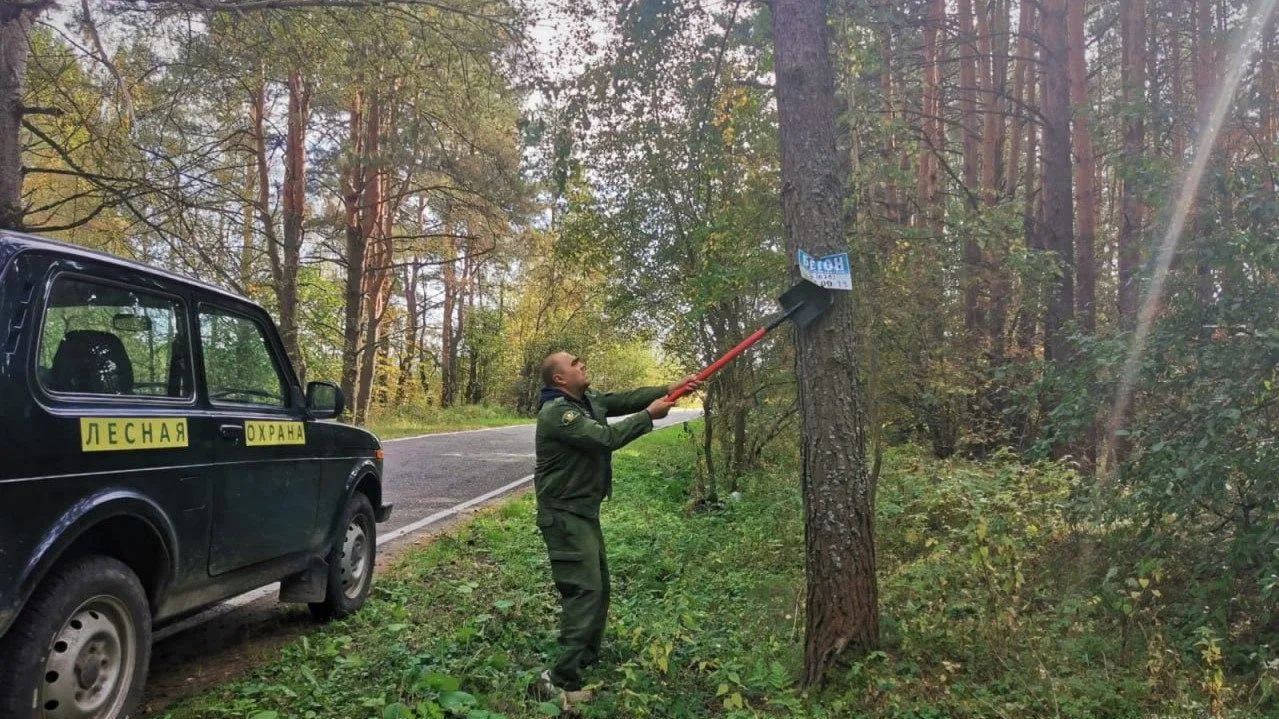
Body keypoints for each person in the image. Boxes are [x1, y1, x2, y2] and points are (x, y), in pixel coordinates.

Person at [532, 351, 700, 705]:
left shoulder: (587, 400)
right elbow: (604, 438)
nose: (583, 365)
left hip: (583, 511)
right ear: (559, 379)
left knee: (600, 586)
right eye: (575, 364)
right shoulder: (557, 415)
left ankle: (585, 657)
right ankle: (558, 681)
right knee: (584, 590)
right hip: (563, 515)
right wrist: (648, 417)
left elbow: (623, 399)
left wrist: (672, 388)